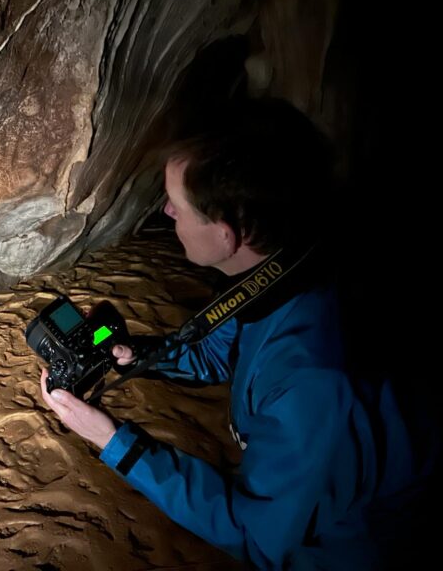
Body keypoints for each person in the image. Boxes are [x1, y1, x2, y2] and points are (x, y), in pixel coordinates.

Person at [39, 98, 439, 569]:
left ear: (228, 234)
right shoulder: (285, 270)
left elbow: (254, 536)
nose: (166, 210)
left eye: (179, 206)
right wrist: (137, 355)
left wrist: (111, 440)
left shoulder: (316, 384)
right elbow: (215, 356)